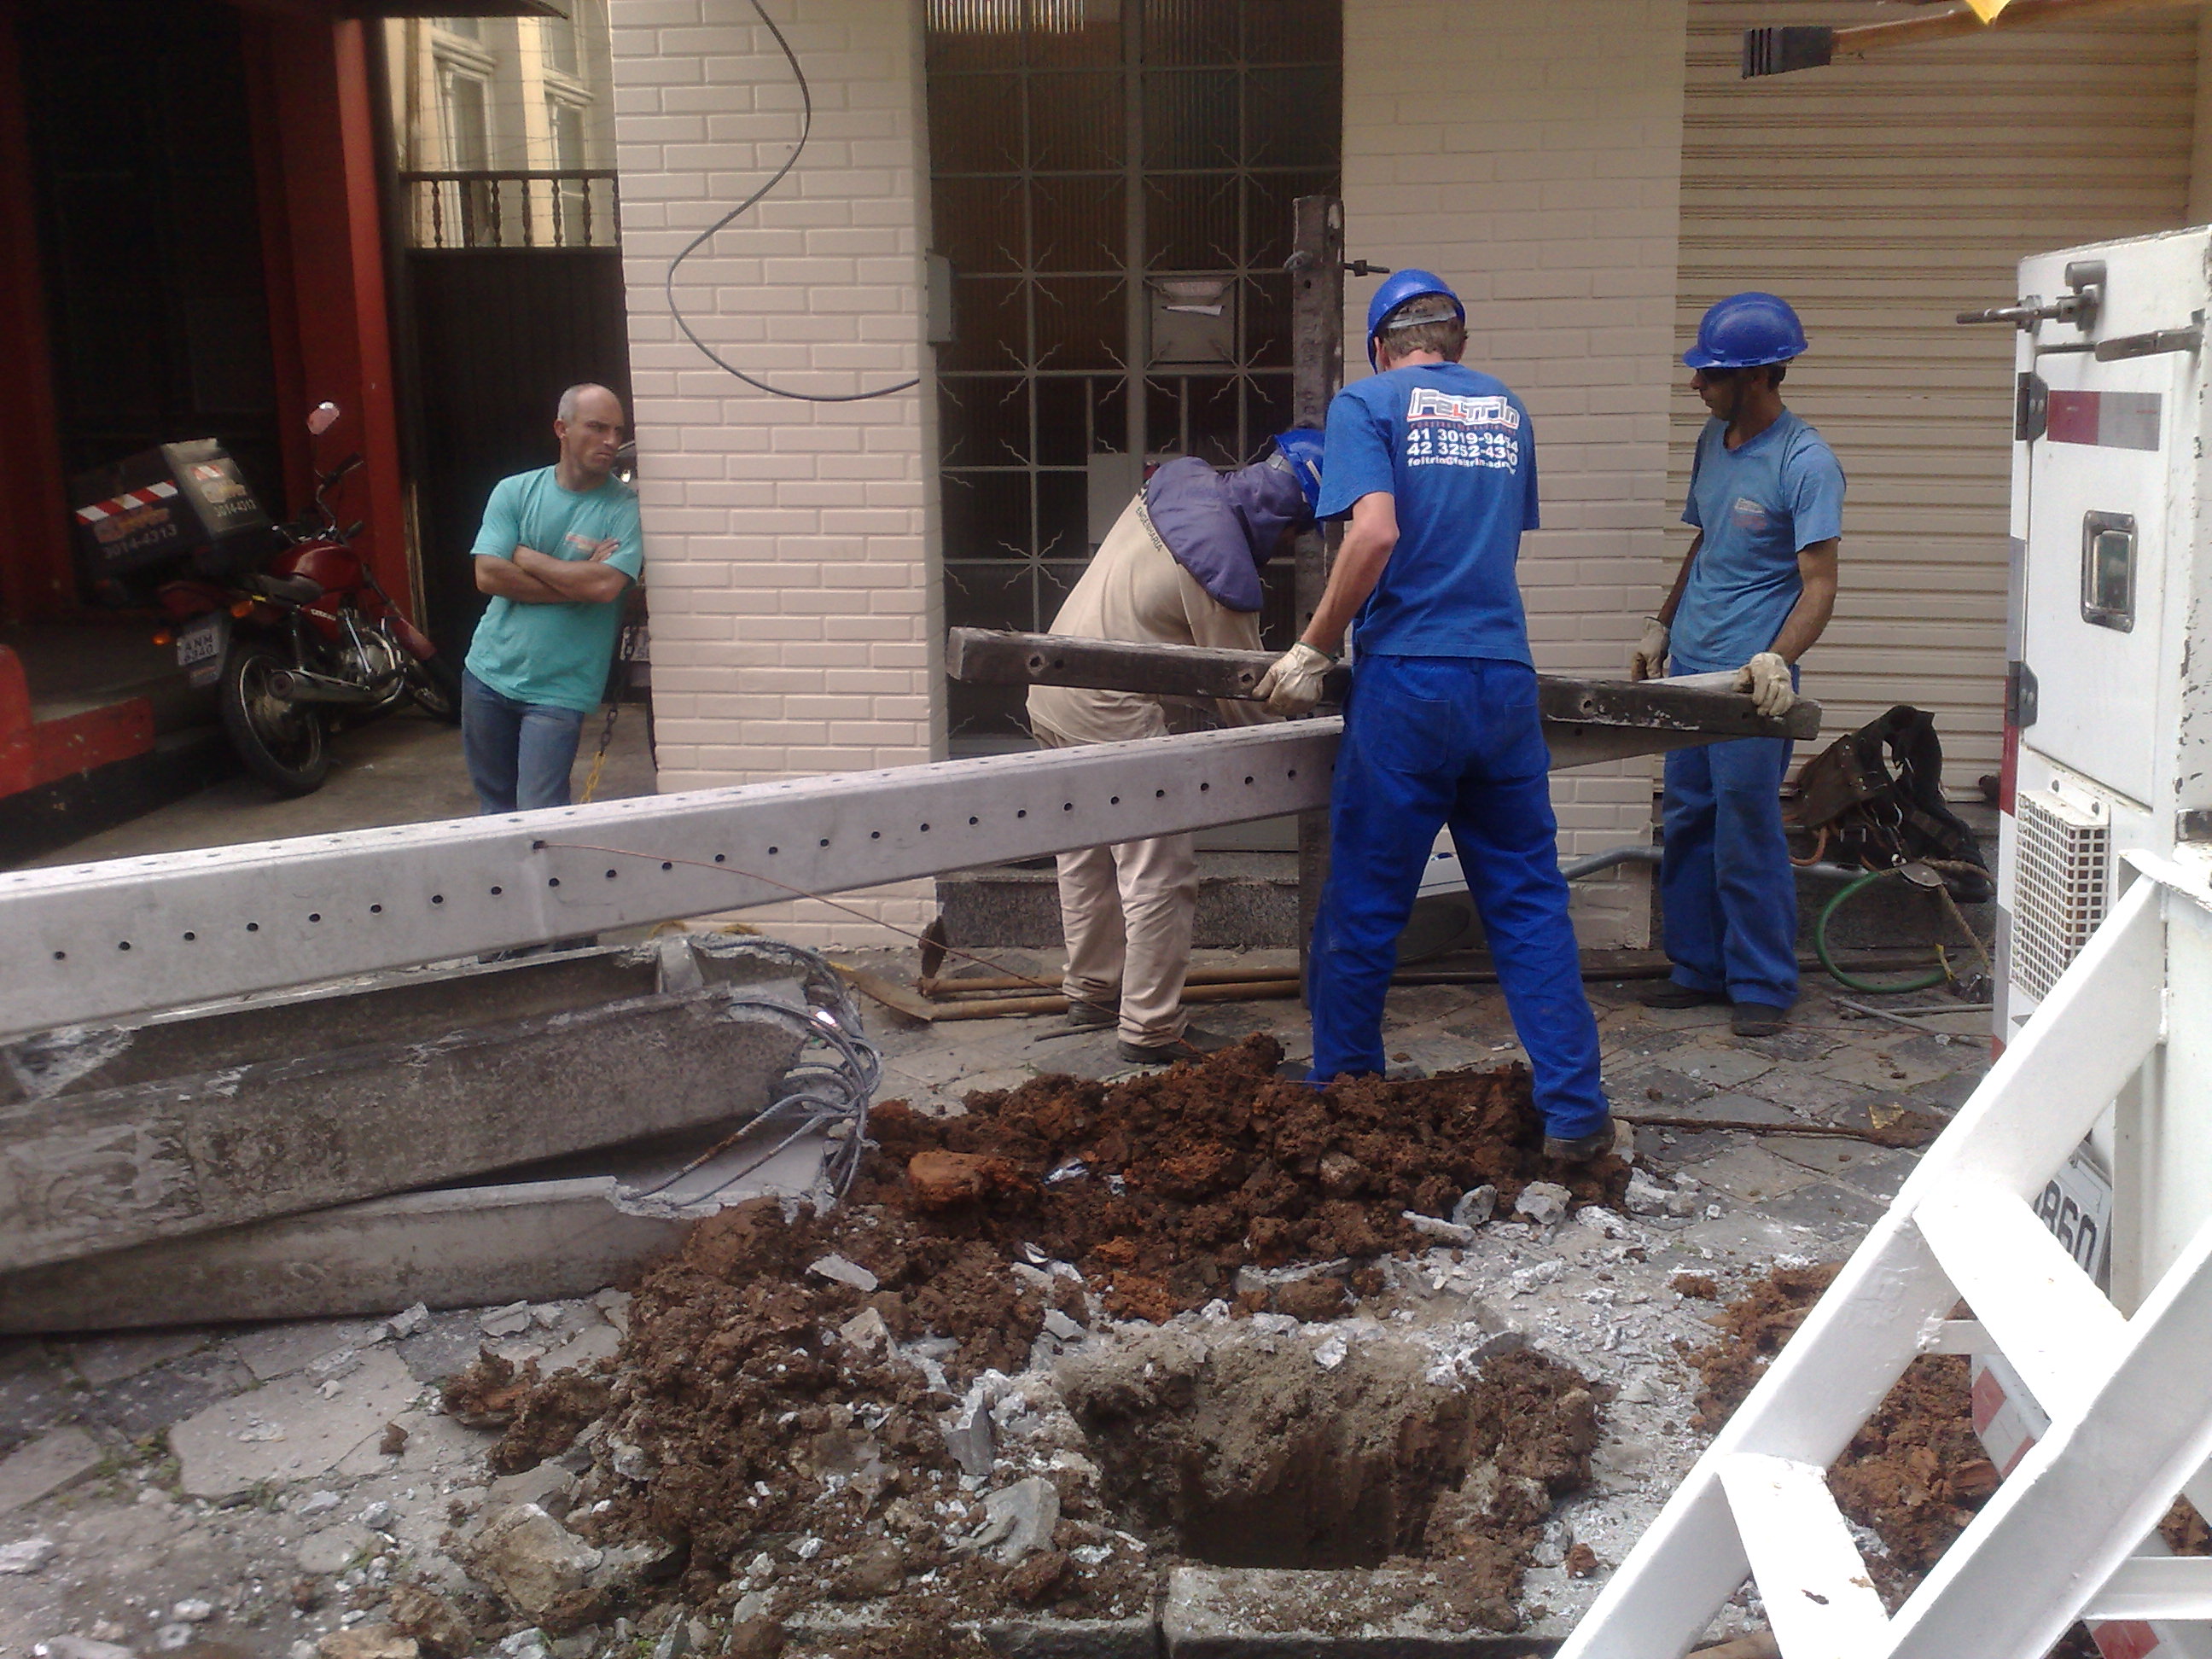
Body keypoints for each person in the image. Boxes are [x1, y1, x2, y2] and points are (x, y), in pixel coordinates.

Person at [1254, 271, 1612, 1161]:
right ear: (1456, 341)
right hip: (1501, 681)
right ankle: (1576, 1113)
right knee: (1529, 902)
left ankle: (1346, 1088)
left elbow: (1374, 534)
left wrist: (1313, 644)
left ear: (1382, 344)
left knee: (1369, 899)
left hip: (1411, 683)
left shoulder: (1365, 404)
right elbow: (1485, 542)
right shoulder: (1507, 410)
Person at [1028, 432, 1323, 1065]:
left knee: (1084, 851)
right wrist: (1305, 705)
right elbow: (1244, 699)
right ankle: (1152, 1028)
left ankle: (1091, 990)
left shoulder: (1176, 484)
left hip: (1050, 692)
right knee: (1159, 872)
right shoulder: (1222, 570)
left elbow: (1150, 619)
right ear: (1288, 521)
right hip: (1107, 711)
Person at [1630, 292, 1843, 1039]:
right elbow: (1706, 540)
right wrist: (1662, 623)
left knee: (1746, 826)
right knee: (1687, 818)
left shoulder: (1805, 461)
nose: (1697, 385)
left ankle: (1761, 982)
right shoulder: (1709, 444)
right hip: (1691, 668)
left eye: (1710, 374)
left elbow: (1820, 586)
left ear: (1757, 376)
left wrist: (1777, 662)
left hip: (1751, 681)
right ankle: (1698, 969)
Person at [462, 383, 643, 814]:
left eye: (617, 431)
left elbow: (603, 587)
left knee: (541, 815)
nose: (611, 442)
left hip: (561, 688)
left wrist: (525, 558)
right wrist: (573, 583)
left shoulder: (625, 508)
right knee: (495, 810)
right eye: (597, 428)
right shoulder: (514, 492)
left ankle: (542, 886)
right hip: (487, 672)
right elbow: (487, 575)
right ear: (562, 428)